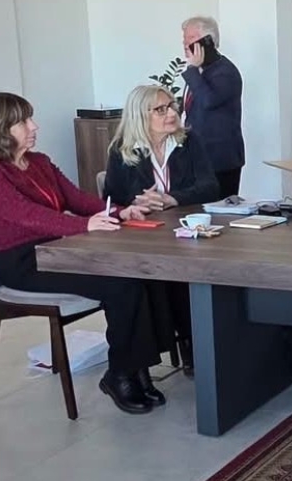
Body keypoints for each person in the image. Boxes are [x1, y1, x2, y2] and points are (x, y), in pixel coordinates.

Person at [0, 91, 165, 414]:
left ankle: (137, 370)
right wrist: (84, 225)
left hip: (58, 251)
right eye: (23, 122)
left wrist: (120, 211)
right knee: (120, 285)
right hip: (22, 263)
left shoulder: (39, 162)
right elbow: (25, 214)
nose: (34, 126)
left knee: (136, 274)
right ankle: (120, 374)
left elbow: (78, 199)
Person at [104, 84, 219, 375]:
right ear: (140, 115)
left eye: (172, 106)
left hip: (187, 231)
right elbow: (111, 200)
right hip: (145, 237)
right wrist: (136, 202)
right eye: (160, 109)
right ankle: (148, 359)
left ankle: (197, 344)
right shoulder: (122, 151)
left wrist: (172, 198)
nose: (171, 113)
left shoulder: (188, 141)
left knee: (196, 274)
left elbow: (210, 186)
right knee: (148, 279)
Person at [180, 15, 244, 197]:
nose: (185, 43)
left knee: (220, 210)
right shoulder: (200, 70)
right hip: (198, 156)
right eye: (184, 39)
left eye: (191, 38)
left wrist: (192, 70)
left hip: (221, 159)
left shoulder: (225, 71)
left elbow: (208, 101)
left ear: (208, 40)